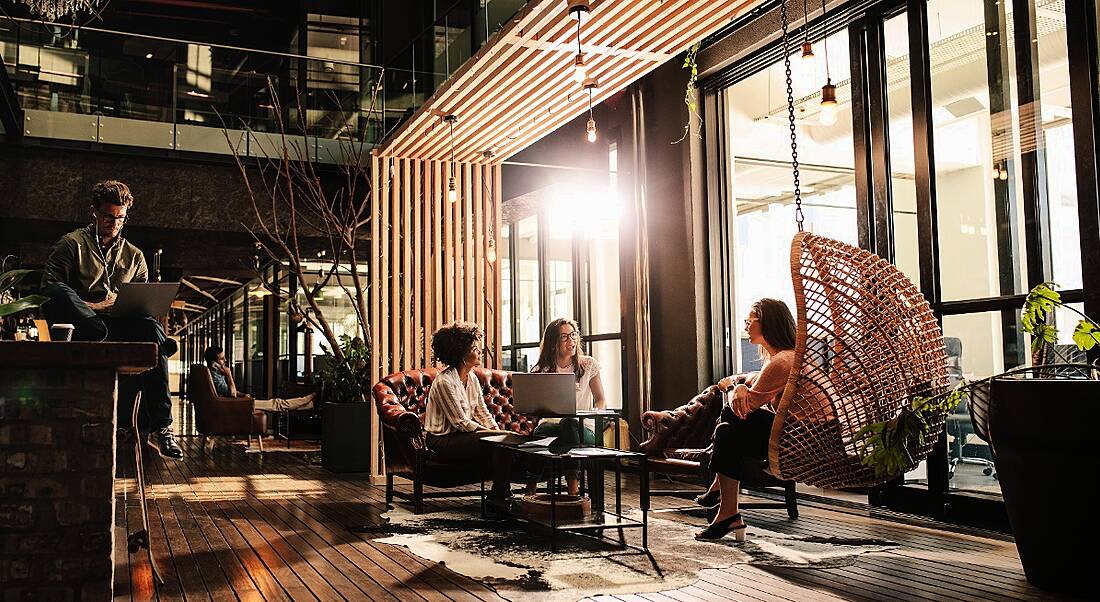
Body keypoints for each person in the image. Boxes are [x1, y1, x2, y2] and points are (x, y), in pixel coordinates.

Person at [41, 180, 182, 459]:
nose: (114, 223)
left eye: (120, 218)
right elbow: (49, 292)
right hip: (84, 322)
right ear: (94, 212)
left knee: (150, 326)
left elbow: (141, 304)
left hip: (117, 323)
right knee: (57, 291)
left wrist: (119, 307)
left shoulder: (135, 257)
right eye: (108, 216)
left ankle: (162, 428)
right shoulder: (72, 244)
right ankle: (159, 346)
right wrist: (92, 306)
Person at [695, 298, 798, 541]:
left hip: (797, 441)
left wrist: (736, 388)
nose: (745, 326)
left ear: (767, 323)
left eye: (749, 320)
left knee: (729, 425)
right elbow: (754, 378)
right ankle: (726, 511)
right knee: (727, 431)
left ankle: (726, 508)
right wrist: (740, 382)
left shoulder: (781, 362)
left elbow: (744, 407)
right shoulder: (787, 357)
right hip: (797, 433)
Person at [424, 321, 516, 506]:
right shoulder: (445, 382)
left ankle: (501, 494)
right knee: (499, 442)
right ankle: (499, 497)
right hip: (442, 440)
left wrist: (497, 431)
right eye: (475, 348)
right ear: (462, 355)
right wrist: (495, 435)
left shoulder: (472, 377)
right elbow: (461, 422)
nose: (479, 351)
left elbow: (481, 412)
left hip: (462, 436)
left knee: (503, 442)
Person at [525, 318, 607, 497]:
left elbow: (601, 400)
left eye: (573, 335)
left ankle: (568, 489)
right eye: (564, 337)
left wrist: (595, 413)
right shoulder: (542, 369)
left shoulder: (588, 365)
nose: (571, 341)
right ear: (553, 343)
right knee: (545, 431)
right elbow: (535, 407)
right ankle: (543, 487)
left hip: (583, 427)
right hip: (551, 425)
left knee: (569, 423)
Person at [203, 346, 315, 411]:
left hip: (235, 403)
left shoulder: (213, 374)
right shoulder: (214, 376)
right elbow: (232, 394)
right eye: (222, 359)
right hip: (233, 405)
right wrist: (228, 374)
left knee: (277, 404)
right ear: (214, 363)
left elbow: (230, 392)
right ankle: (310, 397)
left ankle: (310, 404)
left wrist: (242, 395)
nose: (225, 360)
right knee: (276, 404)